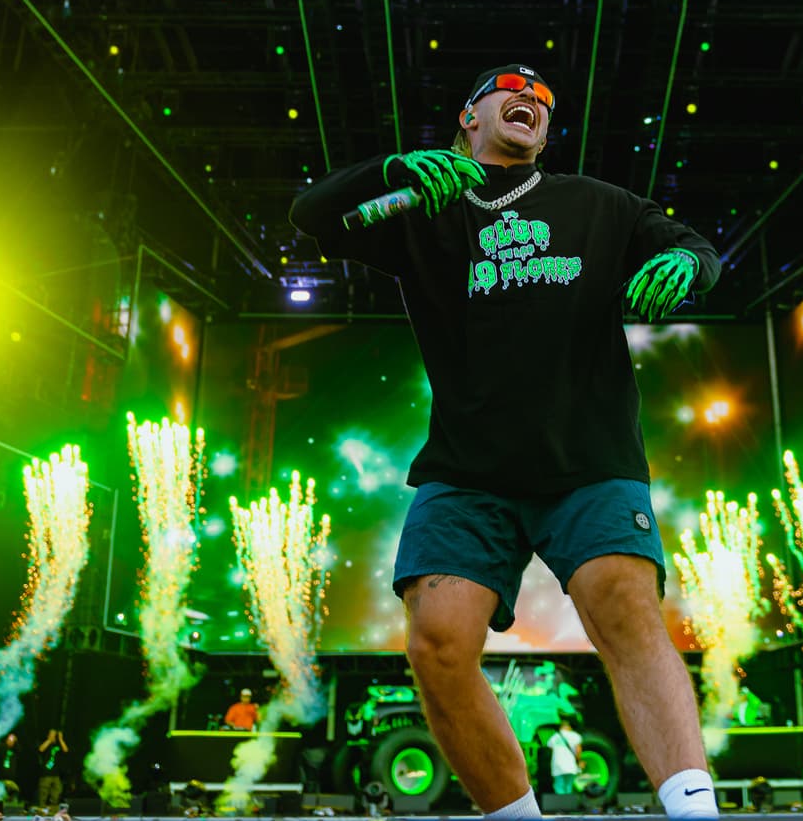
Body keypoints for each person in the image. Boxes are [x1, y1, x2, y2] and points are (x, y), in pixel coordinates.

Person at [290, 62, 722, 821]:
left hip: (588, 455)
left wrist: (686, 259)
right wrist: (388, 168)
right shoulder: (424, 205)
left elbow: (693, 244)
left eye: (545, 101)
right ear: (469, 116)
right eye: (511, 91)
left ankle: (694, 813)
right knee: (437, 644)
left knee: (622, 603)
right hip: (468, 466)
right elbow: (313, 215)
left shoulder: (599, 203)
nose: (531, 100)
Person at [546, 717, 583, 797]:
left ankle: (561, 806)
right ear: (569, 726)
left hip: (557, 764)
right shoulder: (575, 736)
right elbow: (578, 750)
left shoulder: (554, 737)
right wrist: (579, 761)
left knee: (559, 786)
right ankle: (568, 806)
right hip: (570, 765)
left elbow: (549, 746)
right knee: (568, 786)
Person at [36, 730, 68, 811]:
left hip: (56, 774)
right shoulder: (46, 744)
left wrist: (61, 739)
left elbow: (66, 750)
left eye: (55, 735)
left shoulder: (58, 745)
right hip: (46, 774)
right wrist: (49, 740)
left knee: (57, 790)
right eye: (52, 735)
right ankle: (42, 808)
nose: (54, 736)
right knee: (43, 792)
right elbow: (40, 750)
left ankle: (52, 807)